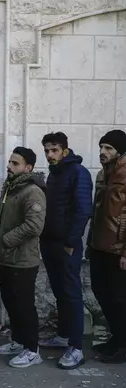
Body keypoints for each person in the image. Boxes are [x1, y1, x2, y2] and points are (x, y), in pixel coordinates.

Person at [0, 147, 46, 368]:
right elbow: (2, 224)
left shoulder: (32, 191)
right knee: (11, 303)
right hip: (5, 259)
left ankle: (32, 350)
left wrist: (8, 240)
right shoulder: (10, 188)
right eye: (9, 162)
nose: (9, 167)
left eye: (15, 163)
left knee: (24, 306)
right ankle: (19, 341)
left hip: (23, 260)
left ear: (28, 168)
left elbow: (34, 225)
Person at [39, 132, 92, 370]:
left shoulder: (78, 173)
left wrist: (71, 240)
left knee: (71, 294)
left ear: (65, 150)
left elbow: (83, 210)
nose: (50, 154)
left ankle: (77, 348)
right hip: (49, 242)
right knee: (60, 291)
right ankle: (63, 335)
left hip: (67, 244)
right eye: (47, 150)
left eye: (54, 150)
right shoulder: (54, 173)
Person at [86, 129, 126, 364]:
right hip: (100, 245)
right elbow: (96, 212)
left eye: (108, 148)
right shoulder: (102, 175)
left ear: (120, 151)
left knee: (119, 298)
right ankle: (117, 337)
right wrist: (91, 242)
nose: (102, 152)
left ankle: (122, 345)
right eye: (101, 147)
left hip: (118, 249)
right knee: (102, 293)